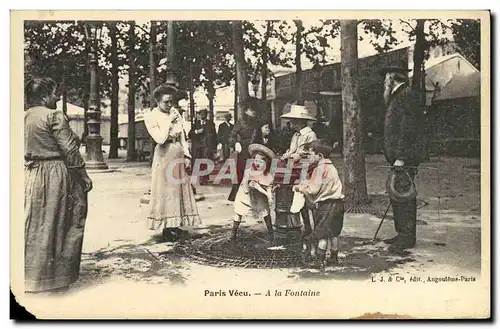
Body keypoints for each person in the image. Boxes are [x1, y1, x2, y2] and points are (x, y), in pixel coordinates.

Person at [24, 77, 93, 293]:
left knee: (36, 222)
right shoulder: (53, 115)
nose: (58, 97)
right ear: (44, 96)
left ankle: (30, 275)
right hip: (56, 173)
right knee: (61, 219)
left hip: (32, 173)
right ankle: (55, 277)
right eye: (55, 93)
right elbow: (70, 151)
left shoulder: (23, 116)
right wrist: (83, 176)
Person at [144, 83, 201, 241]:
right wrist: (169, 121)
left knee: (178, 190)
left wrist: (187, 156)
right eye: (166, 102)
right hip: (164, 156)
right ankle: (167, 228)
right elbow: (160, 139)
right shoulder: (151, 116)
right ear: (157, 102)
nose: (170, 105)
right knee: (166, 191)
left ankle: (176, 224)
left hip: (178, 155)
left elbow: (182, 135)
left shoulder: (175, 113)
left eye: (171, 101)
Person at [380, 61, 426, 252]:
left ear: (391, 77)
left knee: (404, 195)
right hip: (398, 158)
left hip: (403, 158)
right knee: (397, 194)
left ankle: (407, 238)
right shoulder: (397, 96)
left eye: (386, 78)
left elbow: (407, 130)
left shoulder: (406, 95)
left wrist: (401, 157)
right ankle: (402, 233)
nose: (384, 81)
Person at [294, 140, 344, 269]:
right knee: (334, 233)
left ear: (320, 156)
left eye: (311, 154)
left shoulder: (319, 169)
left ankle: (319, 261)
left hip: (325, 205)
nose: (309, 158)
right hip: (338, 203)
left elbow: (313, 189)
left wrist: (300, 188)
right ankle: (334, 257)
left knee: (322, 234)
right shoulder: (331, 166)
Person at [279, 104, 317, 237]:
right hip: (295, 169)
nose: (292, 123)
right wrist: (287, 154)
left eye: (295, 120)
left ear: (301, 121)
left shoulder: (310, 135)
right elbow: (292, 150)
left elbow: (312, 154)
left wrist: (298, 156)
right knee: (299, 197)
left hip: (307, 169)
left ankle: (315, 228)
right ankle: (307, 226)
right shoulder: (295, 135)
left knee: (309, 198)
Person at [232, 144, 276, 244]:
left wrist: (269, 195)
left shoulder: (267, 173)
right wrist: (267, 194)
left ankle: (271, 233)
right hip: (245, 193)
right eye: (255, 160)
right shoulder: (249, 171)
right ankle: (233, 234)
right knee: (239, 212)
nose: (257, 163)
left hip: (259, 195)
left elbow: (268, 184)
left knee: (265, 211)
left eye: (260, 161)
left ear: (266, 162)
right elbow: (253, 184)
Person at [226, 97, 262, 201]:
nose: (253, 112)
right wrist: (236, 143)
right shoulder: (241, 122)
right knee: (241, 174)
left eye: (254, 110)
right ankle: (237, 197)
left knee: (255, 174)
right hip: (243, 151)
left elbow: (260, 138)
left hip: (255, 151)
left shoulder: (258, 123)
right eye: (251, 110)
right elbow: (231, 136)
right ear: (246, 111)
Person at [190, 108, 217, 185]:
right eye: (201, 114)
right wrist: (196, 131)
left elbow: (214, 136)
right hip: (198, 147)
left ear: (206, 115)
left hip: (207, 146)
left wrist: (214, 148)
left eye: (204, 114)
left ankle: (204, 179)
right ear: (199, 115)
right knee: (199, 163)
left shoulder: (211, 123)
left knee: (206, 162)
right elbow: (190, 134)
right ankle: (201, 178)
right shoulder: (196, 124)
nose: (203, 115)